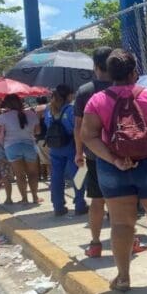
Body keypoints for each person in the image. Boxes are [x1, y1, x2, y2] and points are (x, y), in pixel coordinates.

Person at [81, 49, 147, 290]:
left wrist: (113, 159)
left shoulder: (97, 101)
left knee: (121, 225)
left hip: (113, 168)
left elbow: (88, 136)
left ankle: (123, 277)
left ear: (108, 73)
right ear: (134, 72)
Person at [74, 46, 113, 258]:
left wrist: (79, 152)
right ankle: (130, 240)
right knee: (122, 202)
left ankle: (96, 244)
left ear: (96, 66)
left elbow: (79, 126)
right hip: (121, 154)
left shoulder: (85, 91)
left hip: (95, 154)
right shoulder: (124, 86)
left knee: (97, 201)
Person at [45, 85, 88, 216]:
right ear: (68, 96)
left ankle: (58, 205)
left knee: (56, 177)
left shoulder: (49, 110)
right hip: (71, 145)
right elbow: (77, 128)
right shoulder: (70, 110)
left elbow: (47, 125)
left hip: (54, 147)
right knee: (79, 174)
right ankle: (80, 203)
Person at [0, 94, 40, 204]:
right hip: (29, 145)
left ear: (7, 104)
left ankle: (24, 199)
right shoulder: (31, 114)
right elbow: (38, 131)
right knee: (33, 173)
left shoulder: (3, 117)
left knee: (20, 175)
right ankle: (35, 197)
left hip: (11, 147)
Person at [34, 96, 50, 181]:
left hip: (41, 137)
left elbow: (36, 124)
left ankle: (43, 176)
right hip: (52, 137)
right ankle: (48, 176)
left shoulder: (38, 109)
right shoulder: (51, 107)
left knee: (43, 160)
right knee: (49, 159)